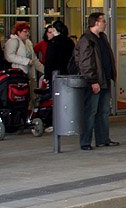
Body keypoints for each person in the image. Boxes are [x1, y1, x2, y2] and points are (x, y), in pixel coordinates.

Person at [73, 12, 118, 150]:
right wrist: (92, 81)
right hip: (94, 82)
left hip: (105, 79)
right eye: (103, 21)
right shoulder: (87, 40)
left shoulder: (102, 37)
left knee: (103, 111)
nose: (105, 23)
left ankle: (103, 139)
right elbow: (85, 63)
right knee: (90, 112)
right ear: (96, 23)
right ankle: (85, 141)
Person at [4, 21, 44, 110]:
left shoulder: (28, 43)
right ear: (18, 32)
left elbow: (34, 60)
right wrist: (26, 61)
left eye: (28, 31)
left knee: (30, 97)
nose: (28, 34)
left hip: (28, 76)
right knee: (20, 97)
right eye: (25, 31)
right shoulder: (13, 41)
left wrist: (45, 70)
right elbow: (9, 56)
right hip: (17, 76)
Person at [44, 20, 75, 87]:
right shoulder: (70, 41)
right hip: (68, 72)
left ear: (54, 29)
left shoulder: (53, 42)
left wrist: (47, 75)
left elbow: (49, 60)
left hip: (56, 73)